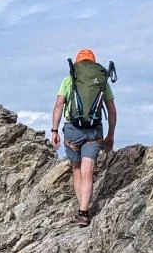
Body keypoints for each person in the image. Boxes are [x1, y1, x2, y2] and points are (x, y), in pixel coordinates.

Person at [48, 48, 116, 227]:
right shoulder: (101, 81)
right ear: (93, 63)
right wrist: (110, 134)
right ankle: (84, 212)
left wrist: (54, 131)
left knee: (77, 169)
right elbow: (112, 110)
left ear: (78, 64)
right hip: (94, 131)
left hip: (72, 130)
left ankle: (81, 207)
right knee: (88, 171)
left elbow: (59, 105)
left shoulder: (69, 79)